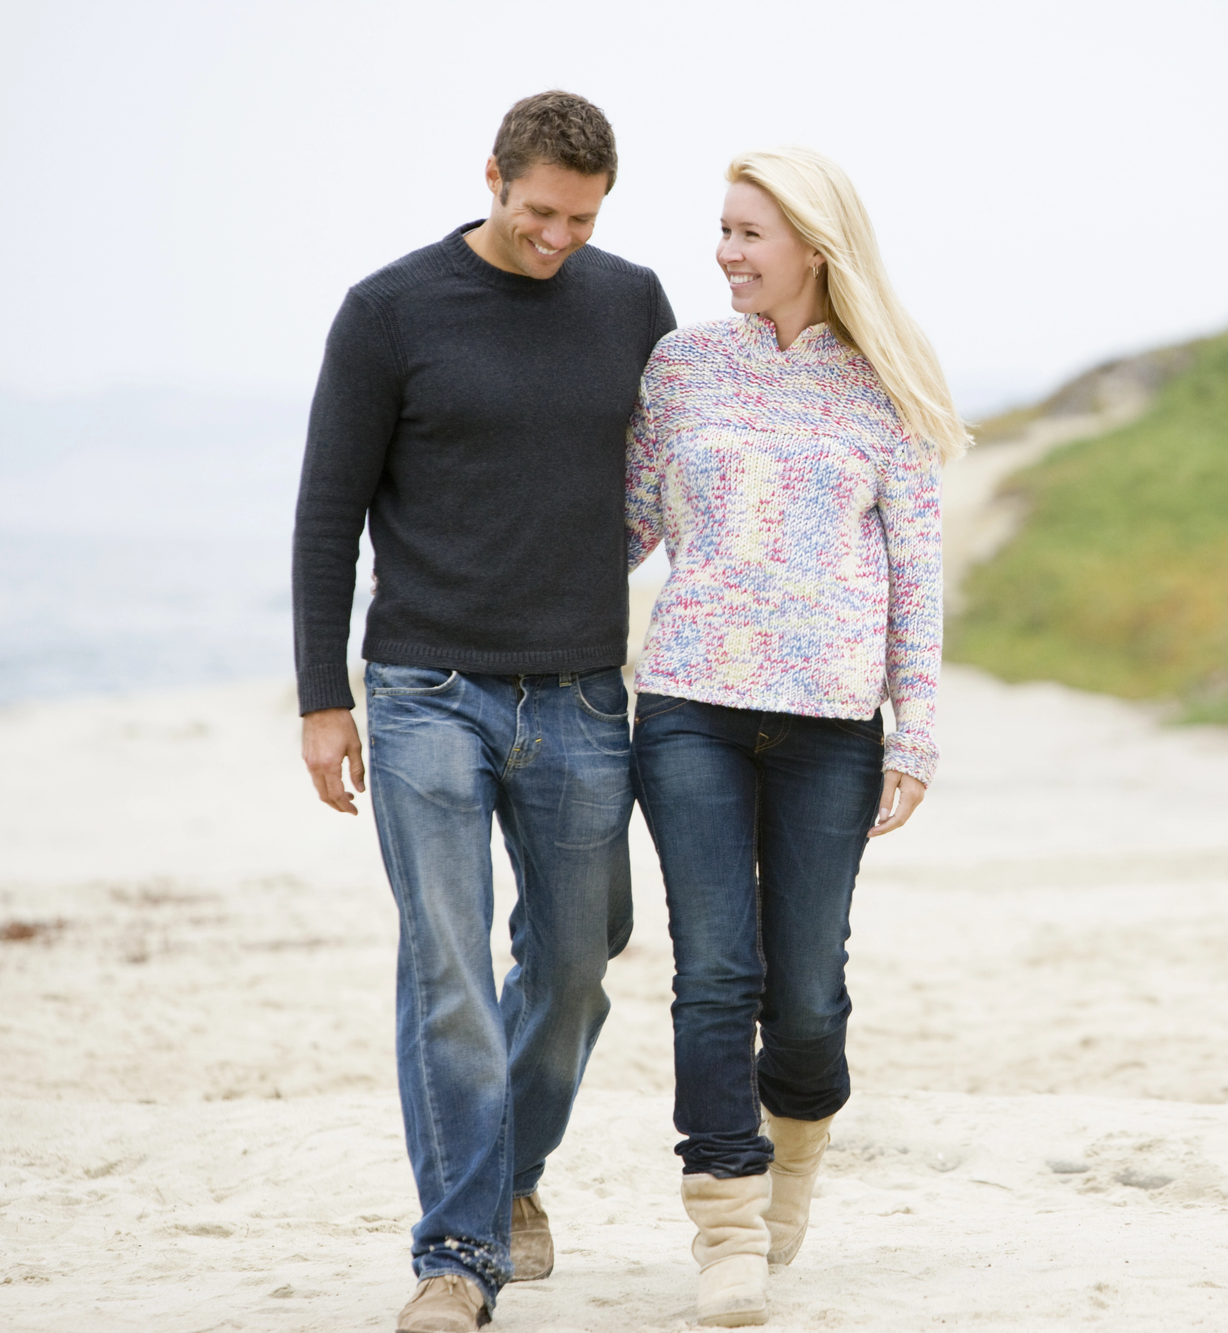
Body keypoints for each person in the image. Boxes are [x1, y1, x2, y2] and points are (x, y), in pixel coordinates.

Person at [292, 91, 676, 1333]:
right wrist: (320, 699)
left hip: (577, 687)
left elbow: (677, 468)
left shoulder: (632, 302)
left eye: (581, 217)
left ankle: (508, 1173)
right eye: (537, 212)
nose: (558, 236)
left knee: (575, 963)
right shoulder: (390, 311)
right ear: (493, 177)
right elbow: (326, 512)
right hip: (423, 690)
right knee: (447, 967)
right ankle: (456, 1254)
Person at [623, 146, 966, 1326]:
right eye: (720, 230)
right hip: (687, 707)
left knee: (807, 995)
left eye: (747, 234)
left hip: (830, 726)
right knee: (714, 968)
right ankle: (724, 1219)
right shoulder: (678, 367)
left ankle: (796, 1151)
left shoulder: (885, 387)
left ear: (813, 246)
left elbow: (915, 573)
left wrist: (912, 730)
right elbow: (621, 528)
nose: (723, 253)